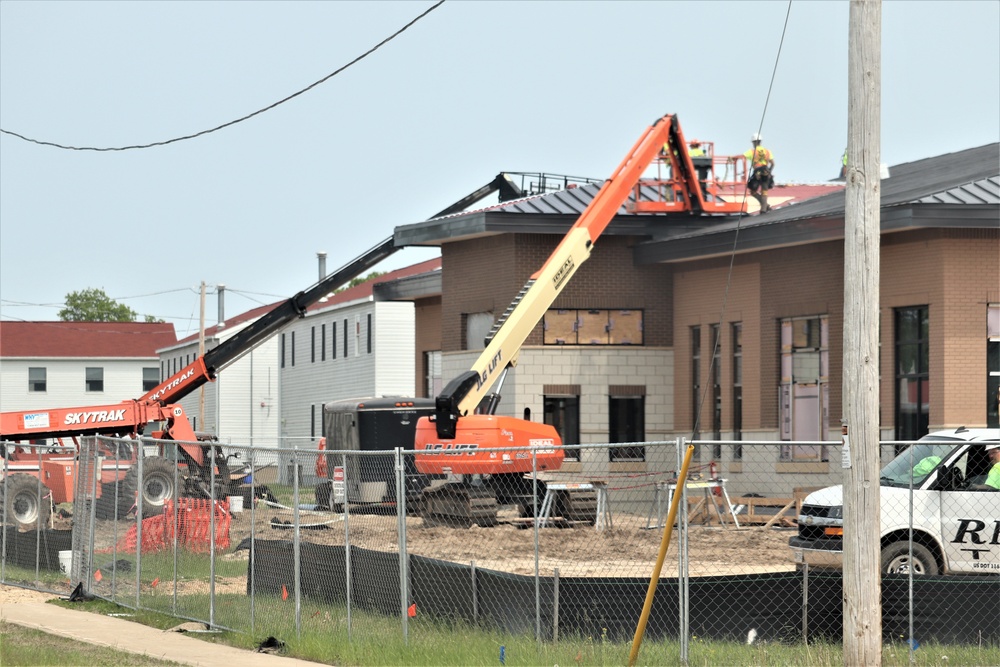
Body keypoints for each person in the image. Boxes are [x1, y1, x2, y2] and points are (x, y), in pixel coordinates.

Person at [744, 133, 775, 212]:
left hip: (757, 172)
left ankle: (764, 206)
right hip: (765, 171)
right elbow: (773, 163)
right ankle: (764, 207)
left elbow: (742, 156)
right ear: (760, 141)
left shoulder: (752, 151)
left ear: (754, 142)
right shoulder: (767, 151)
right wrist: (769, 172)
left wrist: (732, 158)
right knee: (764, 191)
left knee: (752, 190)